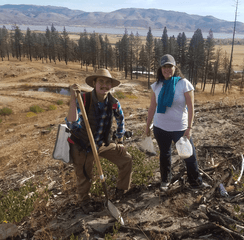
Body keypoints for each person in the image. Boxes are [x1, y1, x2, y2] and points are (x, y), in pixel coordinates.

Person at [66, 68, 132, 211]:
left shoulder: (113, 102)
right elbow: (71, 123)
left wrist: (119, 141)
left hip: (102, 143)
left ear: (111, 86)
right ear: (94, 83)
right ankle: (85, 202)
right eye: (101, 81)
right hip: (83, 145)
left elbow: (121, 120)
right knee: (85, 175)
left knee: (126, 159)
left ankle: (121, 191)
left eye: (108, 82)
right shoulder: (83, 99)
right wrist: (73, 99)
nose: (104, 85)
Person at [145, 54, 209, 191]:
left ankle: (195, 182)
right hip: (160, 127)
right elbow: (152, 107)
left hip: (180, 128)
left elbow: (191, 107)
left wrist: (189, 128)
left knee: (189, 156)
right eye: (164, 67)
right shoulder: (156, 86)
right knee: (164, 155)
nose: (167, 69)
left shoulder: (184, 83)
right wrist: (147, 125)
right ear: (160, 69)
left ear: (175, 67)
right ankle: (165, 181)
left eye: (170, 66)